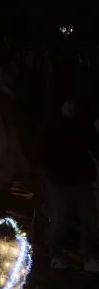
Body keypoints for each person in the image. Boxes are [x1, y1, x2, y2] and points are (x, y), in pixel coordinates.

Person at [37, 96, 99, 271]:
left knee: (89, 219)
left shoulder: (83, 123)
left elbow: (95, 146)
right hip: (59, 180)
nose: (73, 107)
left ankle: (89, 256)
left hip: (80, 178)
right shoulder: (53, 125)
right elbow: (43, 150)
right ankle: (56, 255)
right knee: (60, 219)